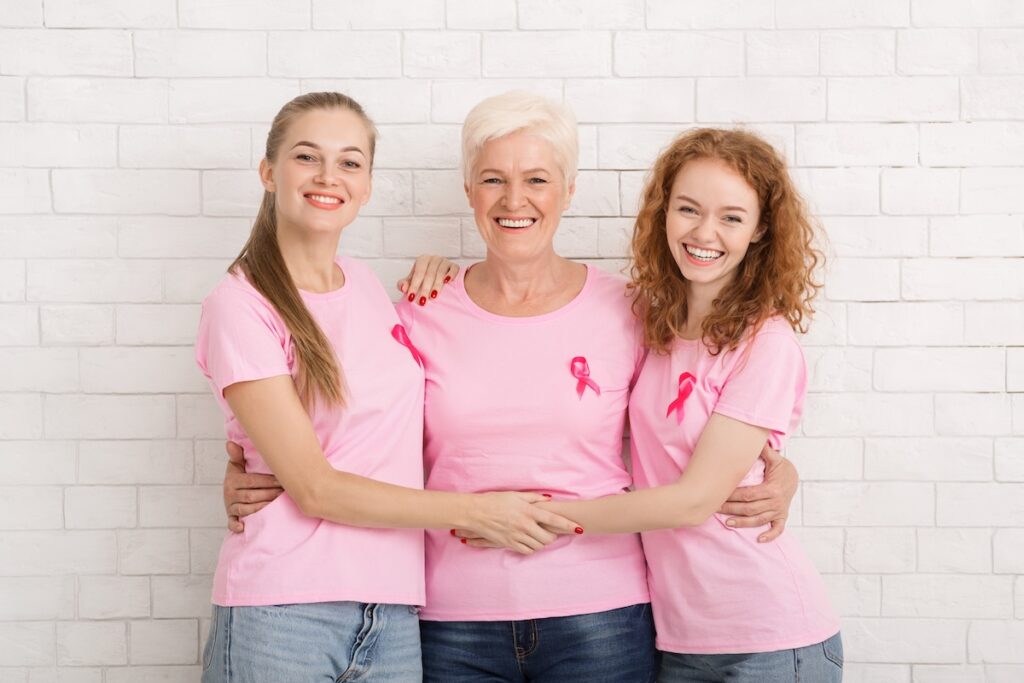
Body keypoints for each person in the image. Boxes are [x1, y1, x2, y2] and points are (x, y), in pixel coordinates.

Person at [223, 93, 801, 682]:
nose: (514, 199)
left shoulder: (633, 311)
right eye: (493, 179)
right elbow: (363, 424)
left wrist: (778, 472)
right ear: (469, 190)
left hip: (600, 614)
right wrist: (256, 460)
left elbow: (689, 414)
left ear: (568, 191)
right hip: (453, 622)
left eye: (537, 180)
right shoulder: (418, 309)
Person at [195, 91, 579, 683]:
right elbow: (315, 488)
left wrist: (447, 273)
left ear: (368, 185)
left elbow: (397, 430)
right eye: (306, 157)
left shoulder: (368, 287)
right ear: (269, 172)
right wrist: (480, 513)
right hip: (283, 611)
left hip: (393, 615)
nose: (328, 176)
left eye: (349, 162)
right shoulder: (241, 306)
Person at [504, 128, 843, 682]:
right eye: (688, 209)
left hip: (768, 639)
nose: (704, 233)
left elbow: (692, 502)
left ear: (760, 230)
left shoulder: (766, 344)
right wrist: (441, 270)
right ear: (664, 213)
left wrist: (540, 517)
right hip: (680, 638)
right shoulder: (650, 325)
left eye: (731, 217)